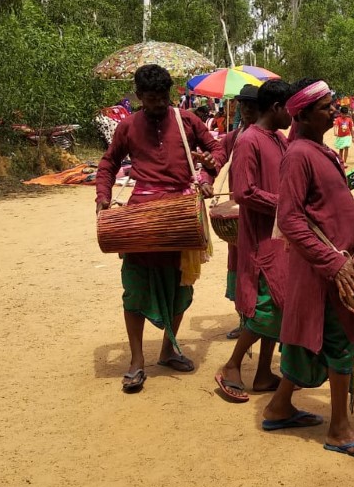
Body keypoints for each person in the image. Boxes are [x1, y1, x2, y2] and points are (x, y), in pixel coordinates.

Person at [264, 78, 354, 458]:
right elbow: (291, 218)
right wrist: (333, 261)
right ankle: (339, 430)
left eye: (332, 104)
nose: (335, 111)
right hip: (325, 271)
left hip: (330, 264)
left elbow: (320, 208)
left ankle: (279, 407)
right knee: (341, 340)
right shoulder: (299, 155)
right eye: (326, 107)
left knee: (308, 344)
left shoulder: (321, 150)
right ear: (301, 115)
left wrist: (352, 224)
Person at [95, 64, 225, 393]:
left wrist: (207, 174)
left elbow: (217, 150)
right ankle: (137, 360)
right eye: (151, 98)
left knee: (181, 288)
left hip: (183, 216)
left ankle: (168, 350)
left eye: (163, 97)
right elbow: (108, 163)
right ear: (139, 96)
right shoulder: (128, 126)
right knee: (135, 287)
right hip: (141, 219)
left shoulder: (188, 120)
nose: (158, 103)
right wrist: (103, 198)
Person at [212, 81, 294, 403]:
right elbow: (244, 193)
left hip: (278, 234)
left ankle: (263, 373)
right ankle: (231, 365)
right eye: (289, 109)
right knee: (266, 306)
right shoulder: (249, 141)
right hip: (260, 237)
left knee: (280, 301)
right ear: (275, 107)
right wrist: (285, 204)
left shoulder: (279, 139)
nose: (292, 116)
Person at [222, 86, 261, 341]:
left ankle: (260, 323)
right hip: (238, 216)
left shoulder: (273, 138)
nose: (246, 110)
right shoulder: (233, 138)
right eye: (243, 104)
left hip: (263, 214)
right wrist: (205, 174)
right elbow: (216, 157)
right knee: (238, 264)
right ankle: (244, 320)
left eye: (252, 105)